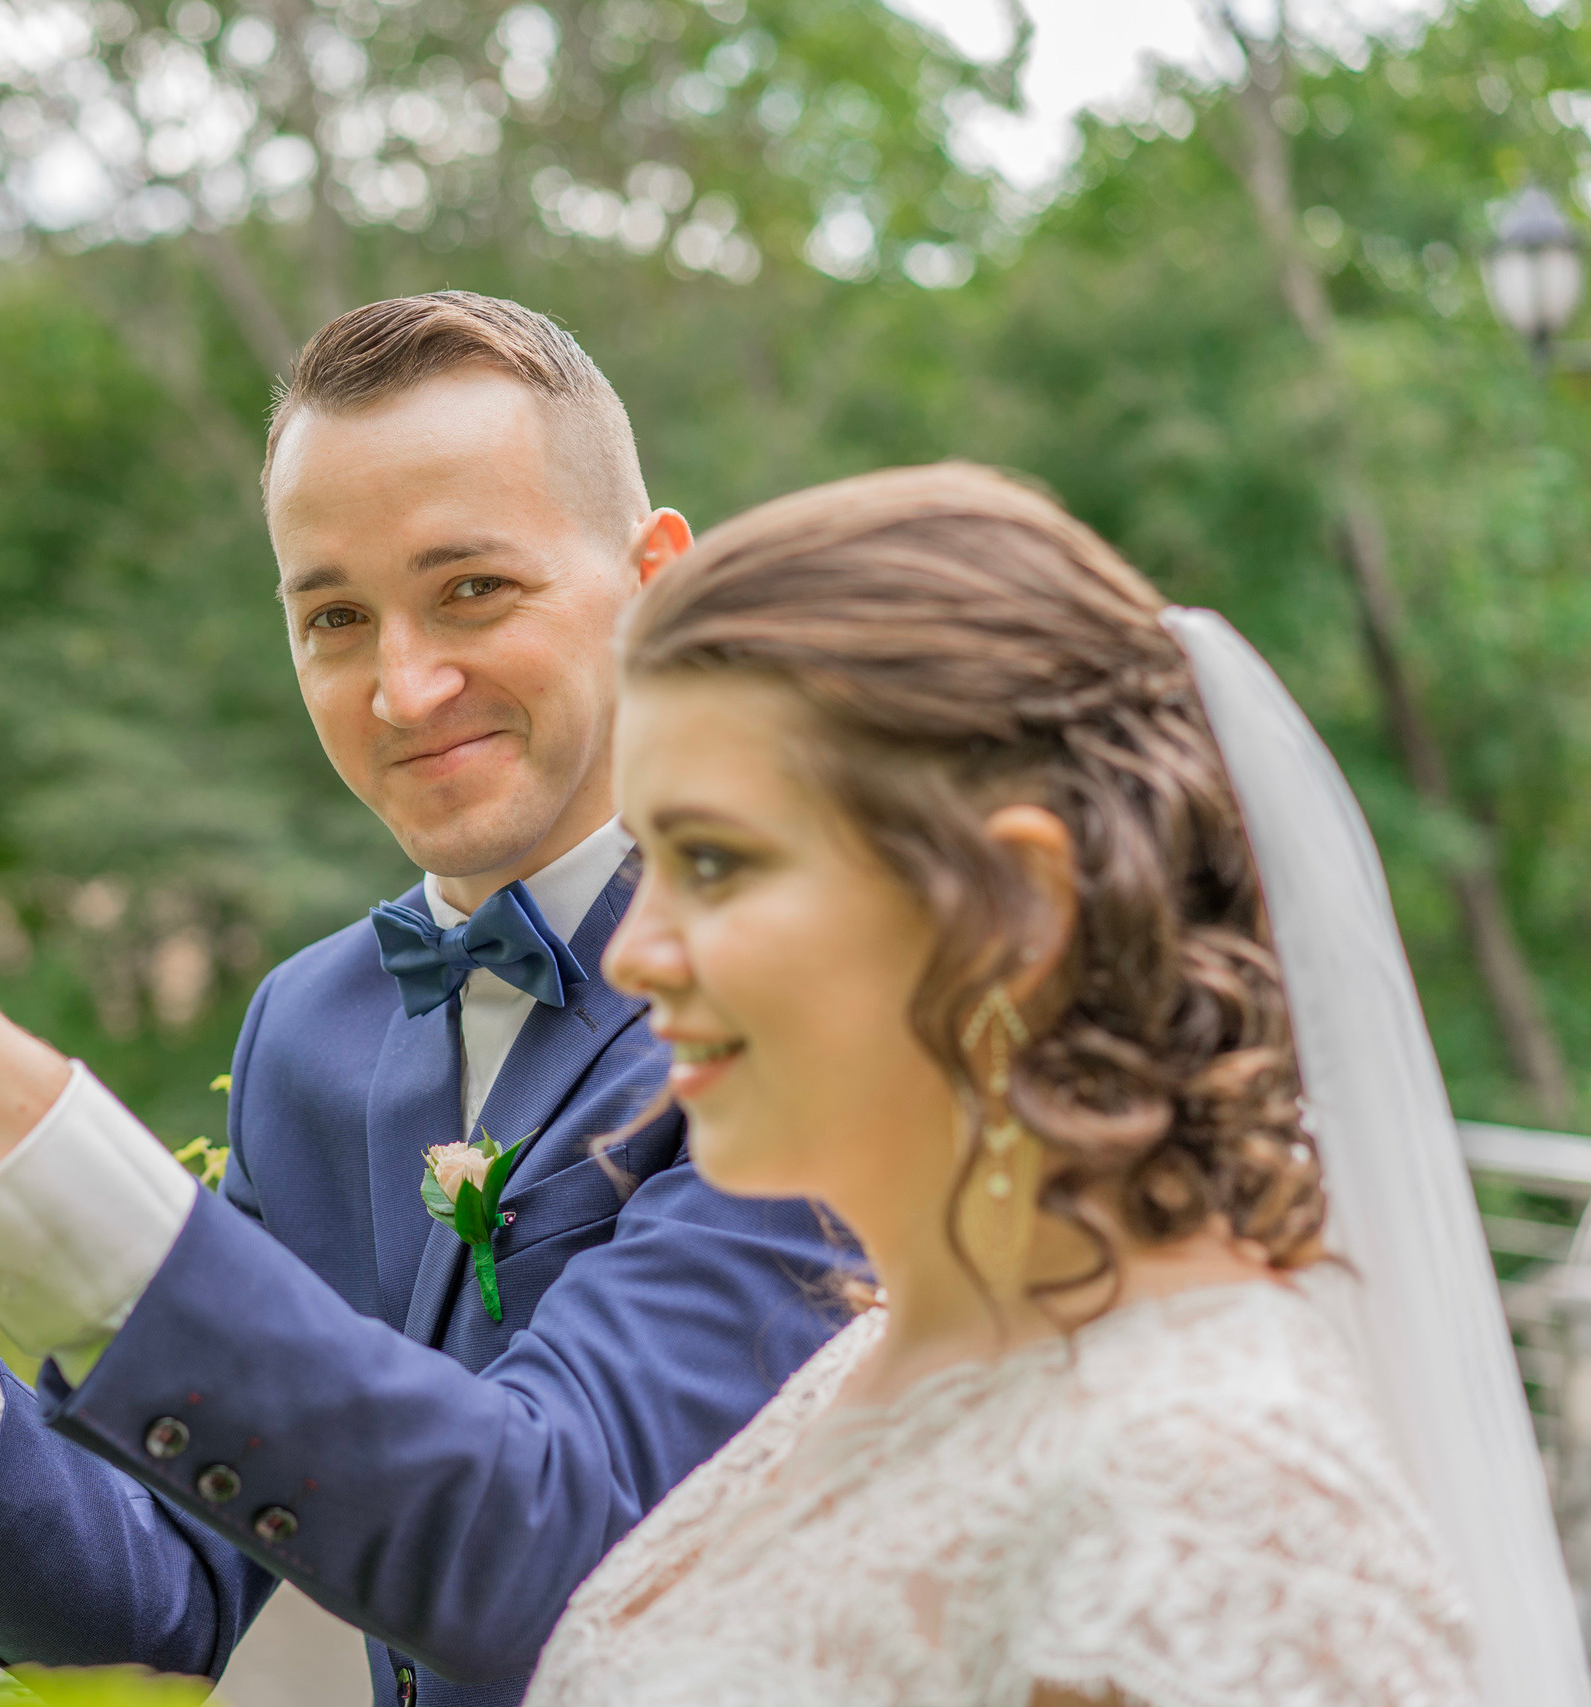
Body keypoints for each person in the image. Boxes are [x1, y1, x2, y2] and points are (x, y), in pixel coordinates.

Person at [0, 293, 848, 1705]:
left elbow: (568, 1549)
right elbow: (157, 1609)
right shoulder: (313, 1026)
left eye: (473, 588)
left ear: (658, 582)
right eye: (336, 617)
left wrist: (11, 1115)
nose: (405, 687)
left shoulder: (808, 985)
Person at [522, 462, 1583, 1706]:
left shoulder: (1213, 1502)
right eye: (648, 861)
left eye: (713, 860)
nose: (634, 952)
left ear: (1015, 906)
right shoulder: (870, 1364)